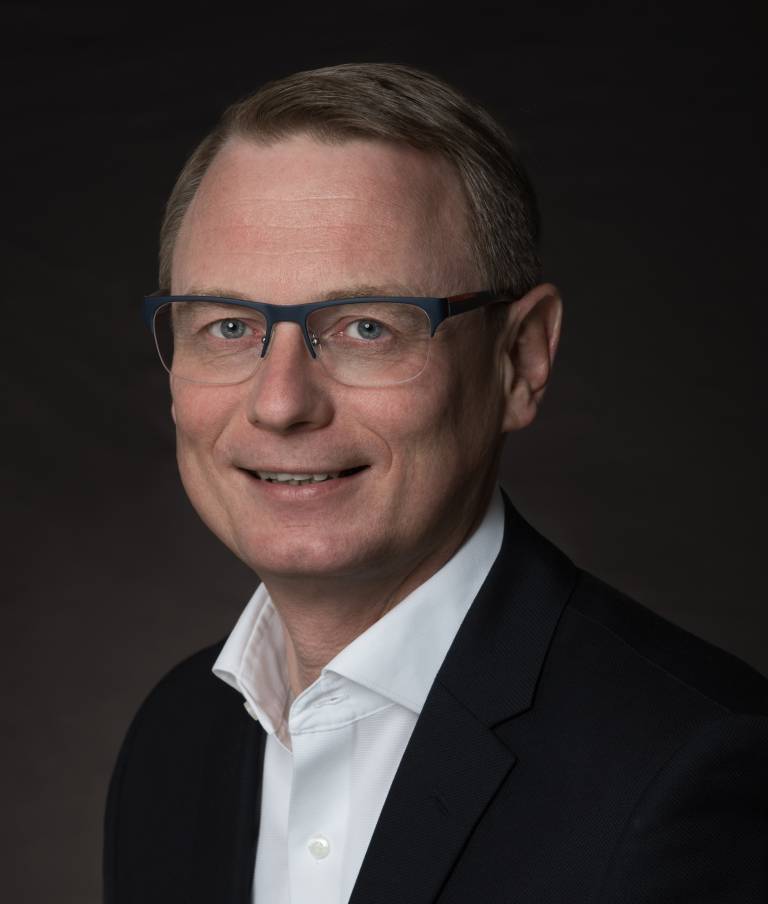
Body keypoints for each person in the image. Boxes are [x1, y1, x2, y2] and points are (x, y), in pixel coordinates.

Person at [103, 63, 768, 904]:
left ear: (520, 359)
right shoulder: (172, 741)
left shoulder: (693, 770)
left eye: (367, 327)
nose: (280, 404)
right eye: (229, 325)